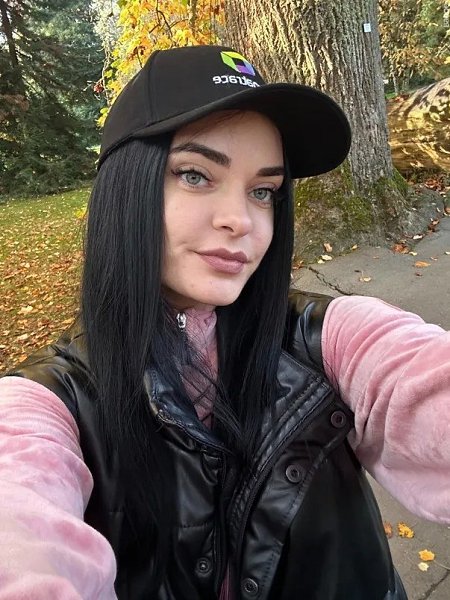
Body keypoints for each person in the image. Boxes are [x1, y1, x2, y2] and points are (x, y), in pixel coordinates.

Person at [0, 45, 449, 600]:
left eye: (263, 191)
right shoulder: (49, 404)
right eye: (195, 175)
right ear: (126, 189)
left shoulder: (327, 338)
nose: (241, 220)